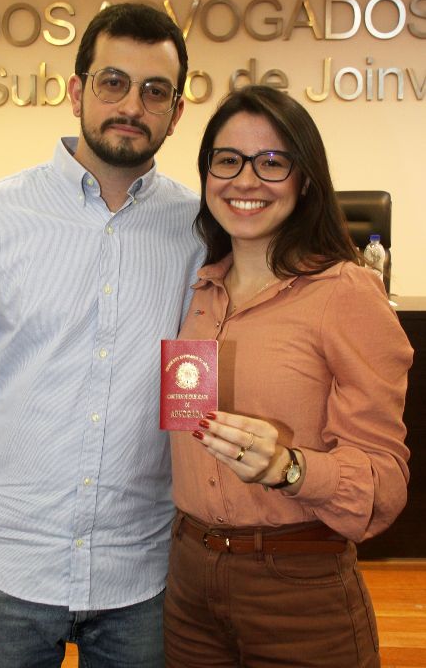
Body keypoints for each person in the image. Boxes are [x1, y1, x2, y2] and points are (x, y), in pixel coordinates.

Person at [0, 2, 203, 668]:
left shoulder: (198, 230)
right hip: (3, 568)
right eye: (112, 82)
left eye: (155, 91)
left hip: (143, 572)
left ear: (176, 111)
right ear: (76, 92)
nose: (132, 105)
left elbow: (196, 389)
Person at [164, 85, 413, 668]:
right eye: (228, 160)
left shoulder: (346, 293)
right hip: (187, 580)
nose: (245, 180)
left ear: (305, 180)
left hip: (297, 585)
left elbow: (386, 483)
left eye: (272, 162)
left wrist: (289, 467)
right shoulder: (197, 289)